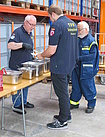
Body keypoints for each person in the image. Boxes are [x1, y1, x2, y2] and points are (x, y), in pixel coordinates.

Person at [37, 4, 78, 129]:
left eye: (50, 17)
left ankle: (63, 120)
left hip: (59, 65)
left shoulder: (56, 26)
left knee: (62, 93)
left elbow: (51, 50)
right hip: (69, 64)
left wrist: (41, 55)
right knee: (64, 91)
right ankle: (66, 114)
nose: (51, 19)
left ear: (53, 14)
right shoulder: (72, 24)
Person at [7, 15, 36, 114]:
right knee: (17, 86)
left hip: (26, 65)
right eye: (31, 25)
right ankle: (16, 105)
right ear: (25, 23)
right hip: (17, 65)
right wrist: (22, 45)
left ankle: (23, 102)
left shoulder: (30, 33)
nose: (32, 27)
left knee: (25, 85)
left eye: (34, 25)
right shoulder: (17, 32)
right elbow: (9, 45)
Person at [70, 21, 99, 113]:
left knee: (88, 87)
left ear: (86, 30)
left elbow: (92, 56)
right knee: (75, 86)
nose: (77, 32)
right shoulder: (77, 39)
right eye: (77, 29)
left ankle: (91, 104)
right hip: (76, 68)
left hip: (87, 69)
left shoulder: (91, 41)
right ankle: (74, 103)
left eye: (79, 30)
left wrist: (79, 58)